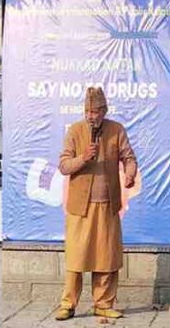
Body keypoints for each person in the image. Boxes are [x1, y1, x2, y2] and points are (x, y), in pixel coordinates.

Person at [54, 86, 137, 321]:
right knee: (76, 258)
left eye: (95, 111)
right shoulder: (75, 131)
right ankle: (68, 305)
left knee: (106, 257)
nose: (91, 116)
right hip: (80, 208)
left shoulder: (116, 130)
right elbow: (63, 166)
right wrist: (83, 158)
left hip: (108, 204)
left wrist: (129, 174)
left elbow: (129, 158)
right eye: (87, 111)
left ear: (104, 110)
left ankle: (103, 304)